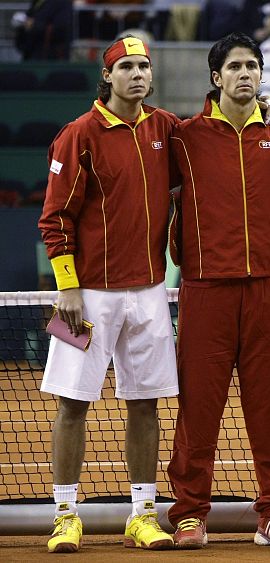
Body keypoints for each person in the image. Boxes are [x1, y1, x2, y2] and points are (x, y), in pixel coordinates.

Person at [38, 35, 179, 553]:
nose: (138, 75)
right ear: (108, 77)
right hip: (88, 298)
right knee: (73, 404)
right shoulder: (79, 134)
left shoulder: (165, 128)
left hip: (149, 294)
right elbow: (54, 217)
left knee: (145, 404)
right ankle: (65, 515)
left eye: (144, 66)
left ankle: (142, 515)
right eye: (127, 67)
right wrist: (68, 286)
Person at [166, 32, 270, 550]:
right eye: (235, 67)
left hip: (269, 288)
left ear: (262, 76)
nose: (245, 74)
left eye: (253, 67)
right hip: (206, 290)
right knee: (198, 407)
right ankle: (188, 513)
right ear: (215, 77)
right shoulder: (184, 137)